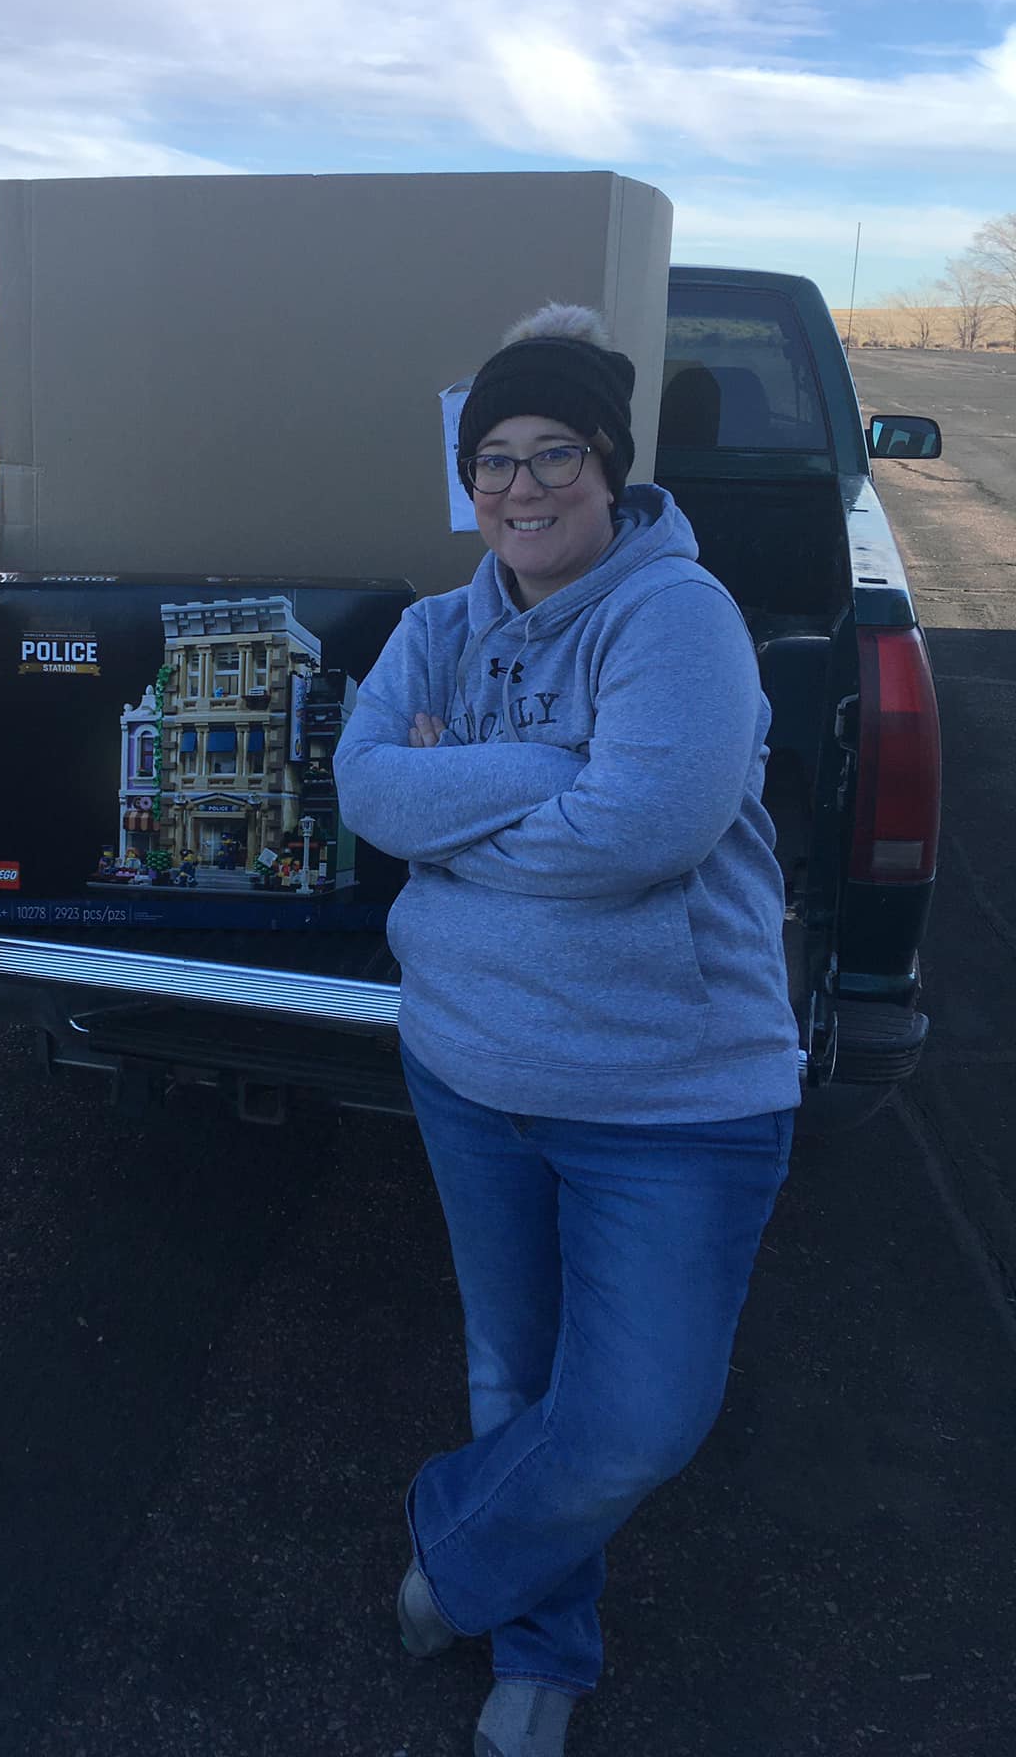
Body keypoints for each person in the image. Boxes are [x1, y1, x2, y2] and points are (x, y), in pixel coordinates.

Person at [334, 304, 799, 1756]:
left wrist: (461, 801)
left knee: (637, 1421)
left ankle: (453, 1548)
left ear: (611, 469)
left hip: (673, 1097)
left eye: (554, 458)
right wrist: (553, 772)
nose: (521, 491)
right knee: (512, 1377)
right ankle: (541, 1645)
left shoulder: (679, 619)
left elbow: (644, 831)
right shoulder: (429, 631)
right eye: (494, 464)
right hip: (469, 1072)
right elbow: (364, 790)